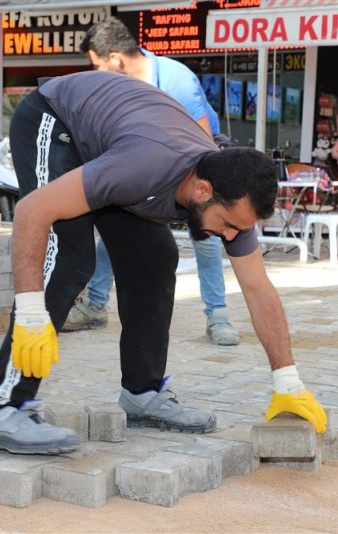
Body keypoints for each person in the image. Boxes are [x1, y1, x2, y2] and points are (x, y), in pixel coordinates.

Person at [0, 71, 327, 454]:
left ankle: (142, 393)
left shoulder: (230, 198)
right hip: (57, 119)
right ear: (202, 190)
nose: (229, 237)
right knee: (69, 258)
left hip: (116, 144)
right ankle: (4, 411)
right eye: (226, 224)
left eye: (237, 230)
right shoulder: (142, 167)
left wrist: (288, 381)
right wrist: (30, 313)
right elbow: (30, 212)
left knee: (155, 257)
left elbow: (258, 289)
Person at [62, 18, 240, 347]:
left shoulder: (175, 79)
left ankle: (218, 315)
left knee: (204, 233)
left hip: (198, 164)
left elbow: (204, 144)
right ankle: (95, 306)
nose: (95, 73)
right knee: (118, 221)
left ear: (115, 59)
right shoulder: (118, 87)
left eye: (96, 65)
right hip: (150, 163)